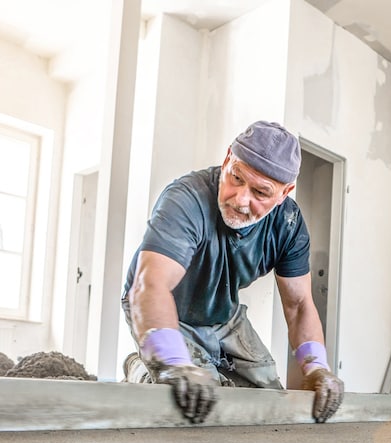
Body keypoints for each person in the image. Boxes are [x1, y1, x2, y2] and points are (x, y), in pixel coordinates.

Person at [121, 120, 344, 424]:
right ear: (227, 159)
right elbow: (150, 285)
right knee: (196, 400)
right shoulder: (187, 198)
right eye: (236, 177)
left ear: (284, 193)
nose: (240, 199)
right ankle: (141, 368)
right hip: (166, 307)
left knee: (268, 396)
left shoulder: (288, 225)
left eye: (260, 192)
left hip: (223, 312)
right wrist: (172, 362)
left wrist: (317, 368)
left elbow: (299, 305)